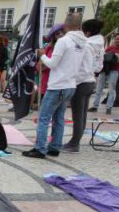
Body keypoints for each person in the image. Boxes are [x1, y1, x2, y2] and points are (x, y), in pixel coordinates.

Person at [23, 13, 85, 159]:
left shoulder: (64, 41)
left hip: (58, 85)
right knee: (59, 118)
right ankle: (55, 146)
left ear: (66, 25)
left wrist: (42, 55)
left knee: (44, 118)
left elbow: (52, 64)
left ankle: (40, 148)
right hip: (70, 85)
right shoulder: (83, 43)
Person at [64, 19, 104, 153]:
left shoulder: (85, 45)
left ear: (87, 33)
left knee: (78, 116)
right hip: (90, 81)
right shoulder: (99, 46)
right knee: (82, 115)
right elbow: (99, 67)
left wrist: (73, 80)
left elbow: (78, 65)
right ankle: (76, 141)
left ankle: (74, 143)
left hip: (81, 82)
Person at [89, 33, 119, 114]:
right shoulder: (110, 47)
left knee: (111, 89)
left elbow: (118, 59)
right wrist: (113, 55)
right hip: (104, 70)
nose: (118, 40)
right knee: (99, 88)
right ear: (114, 39)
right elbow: (102, 55)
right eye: (117, 39)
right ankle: (95, 106)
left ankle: (109, 107)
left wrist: (110, 55)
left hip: (114, 70)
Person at [39, 24, 65, 98]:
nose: (61, 35)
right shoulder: (49, 48)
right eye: (57, 33)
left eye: (62, 32)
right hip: (49, 81)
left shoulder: (69, 46)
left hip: (62, 82)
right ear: (54, 37)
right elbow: (41, 66)